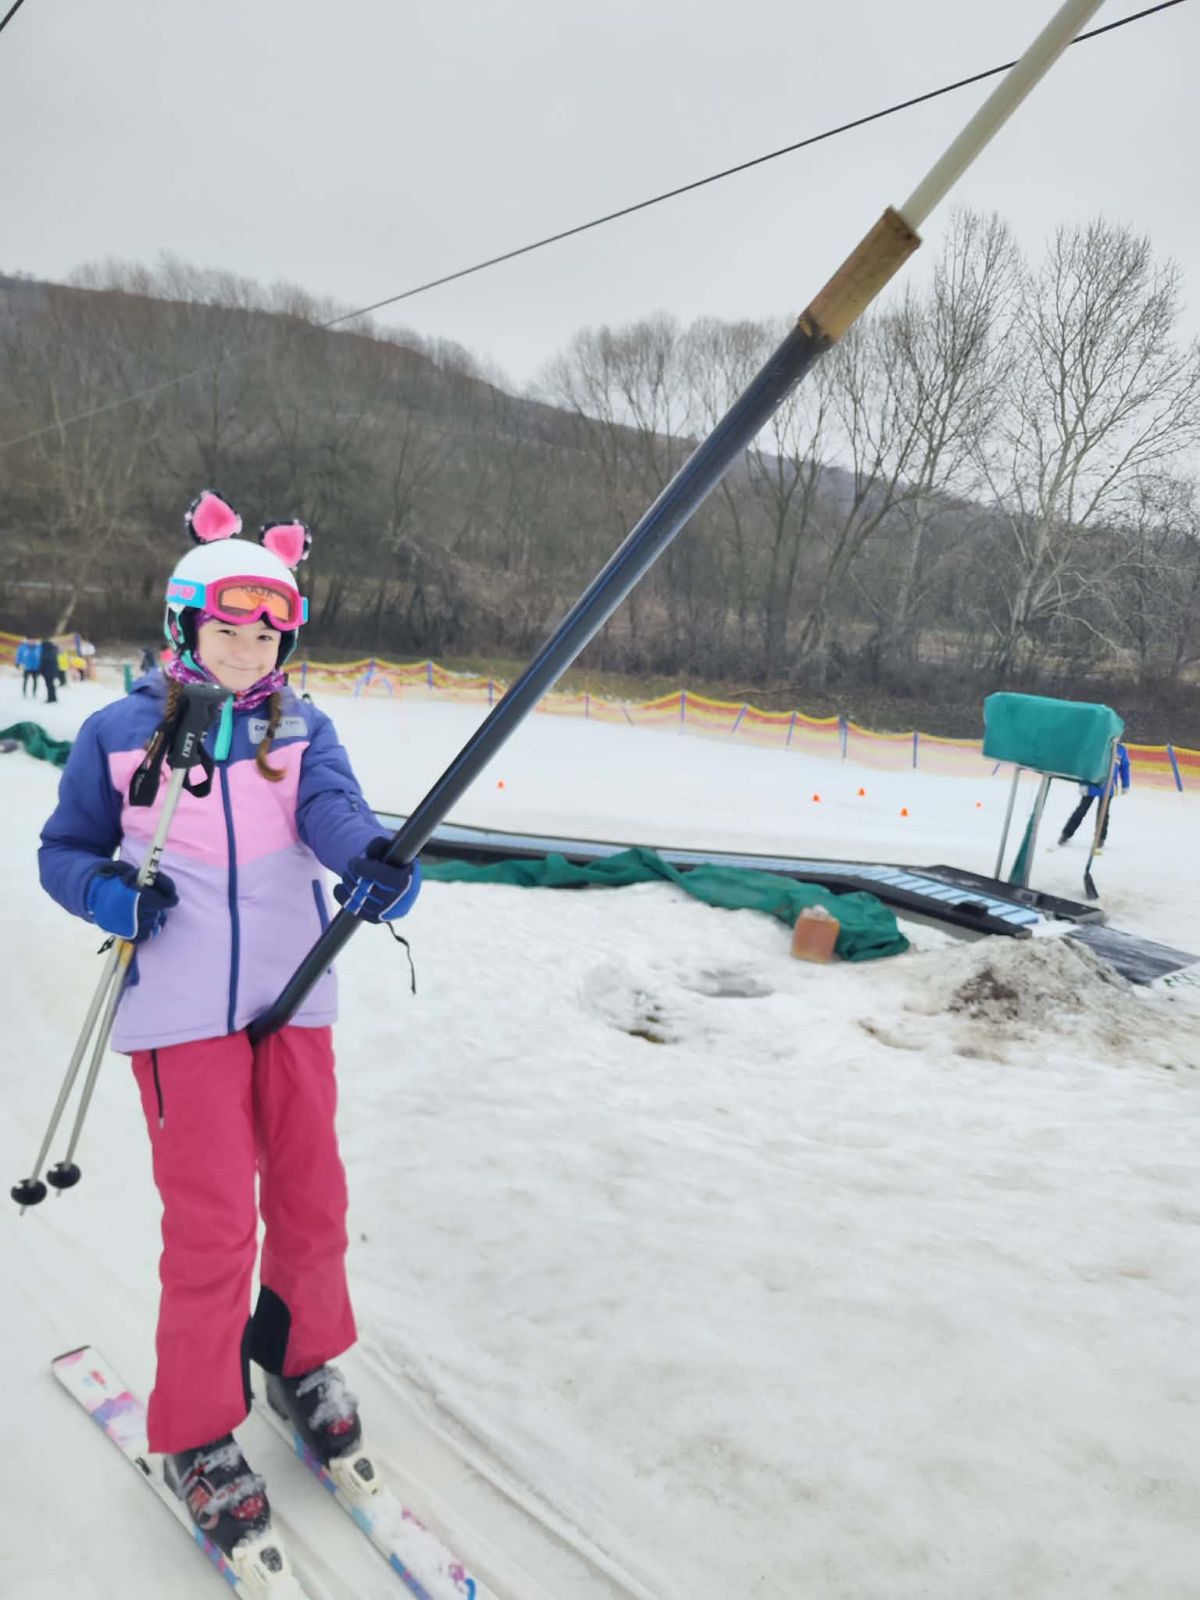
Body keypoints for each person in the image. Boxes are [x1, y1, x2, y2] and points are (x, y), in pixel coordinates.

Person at [39, 491, 420, 1562]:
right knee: (213, 1226)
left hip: (292, 999)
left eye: (267, 634)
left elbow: (330, 809)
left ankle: (295, 1354)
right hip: (179, 1013)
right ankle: (198, 1430)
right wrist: (108, 896)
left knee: (312, 1195)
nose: (248, 650)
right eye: (227, 628)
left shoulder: (300, 727)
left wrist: (367, 860)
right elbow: (63, 851)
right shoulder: (120, 734)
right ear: (184, 626)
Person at [1058, 740, 1131, 852]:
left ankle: (1100, 837)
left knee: (1103, 813)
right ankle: (1066, 833)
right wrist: (1082, 783)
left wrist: (1126, 784)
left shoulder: (1121, 749)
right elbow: (1085, 765)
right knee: (1082, 810)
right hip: (1091, 784)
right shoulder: (1097, 745)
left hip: (1108, 786)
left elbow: (1124, 767)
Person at [38, 637, 60, 703]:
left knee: (49, 685)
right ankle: (53, 698)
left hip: (47, 672)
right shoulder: (53, 651)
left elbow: (43, 662)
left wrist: (40, 670)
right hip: (53, 671)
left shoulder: (45, 652)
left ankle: (50, 698)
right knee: (51, 685)